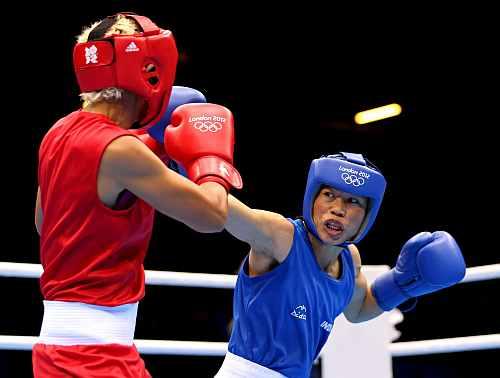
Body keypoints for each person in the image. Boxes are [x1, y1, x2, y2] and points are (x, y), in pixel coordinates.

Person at [34, 12, 242, 377]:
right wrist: (211, 158)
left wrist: (153, 145)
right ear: (147, 68)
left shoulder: (59, 132)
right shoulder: (121, 151)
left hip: (63, 350)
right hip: (94, 358)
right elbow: (212, 216)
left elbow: (43, 222)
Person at [214, 152, 466, 378]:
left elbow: (358, 310)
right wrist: (198, 167)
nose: (338, 209)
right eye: (329, 195)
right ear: (312, 198)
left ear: (367, 216)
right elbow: (219, 207)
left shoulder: (349, 260)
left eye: (353, 201)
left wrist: (403, 284)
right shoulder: (281, 236)